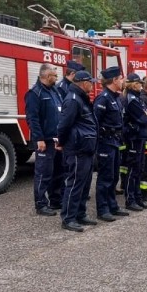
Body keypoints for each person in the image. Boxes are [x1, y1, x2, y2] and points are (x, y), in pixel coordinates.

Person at [56, 70, 98, 232]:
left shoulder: (81, 98)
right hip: (77, 148)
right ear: (82, 83)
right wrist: (61, 142)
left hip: (85, 147)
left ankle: (80, 214)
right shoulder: (73, 100)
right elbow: (64, 125)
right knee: (74, 183)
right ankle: (68, 218)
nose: (92, 85)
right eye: (90, 82)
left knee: (84, 183)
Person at [24, 63, 62, 215]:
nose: (56, 78)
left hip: (56, 139)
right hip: (44, 141)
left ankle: (55, 200)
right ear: (46, 76)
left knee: (57, 172)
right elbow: (32, 118)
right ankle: (40, 204)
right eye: (54, 75)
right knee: (43, 173)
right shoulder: (35, 93)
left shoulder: (54, 91)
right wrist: (38, 138)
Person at [93, 66, 129, 222]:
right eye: (120, 78)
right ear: (114, 80)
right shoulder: (103, 99)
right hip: (105, 143)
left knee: (114, 176)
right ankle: (103, 209)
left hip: (115, 142)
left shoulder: (115, 97)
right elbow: (96, 123)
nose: (122, 81)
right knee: (105, 177)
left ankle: (112, 206)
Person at [122, 73, 147, 211]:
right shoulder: (132, 99)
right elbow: (144, 118)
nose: (141, 85)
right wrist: (146, 114)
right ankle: (130, 199)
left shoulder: (137, 98)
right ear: (134, 84)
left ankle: (137, 196)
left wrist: (146, 114)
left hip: (140, 136)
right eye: (139, 83)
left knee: (139, 168)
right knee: (133, 169)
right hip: (134, 137)